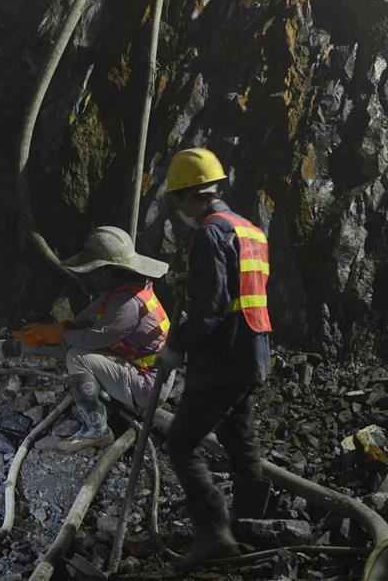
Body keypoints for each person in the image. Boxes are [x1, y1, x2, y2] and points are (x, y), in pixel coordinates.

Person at [155, 148, 273, 569]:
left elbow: (211, 306)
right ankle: (252, 529)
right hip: (253, 355)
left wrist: (176, 347)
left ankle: (214, 537)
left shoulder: (210, 233)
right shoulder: (250, 229)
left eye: (178, 200)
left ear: (192, 196)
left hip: (222, 360)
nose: (178, 210)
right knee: (241, 446)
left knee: (182, 443)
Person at [13, 226, 175, 452]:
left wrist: (58, 337)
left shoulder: (128, 305)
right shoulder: (122, 290)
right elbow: (86, 319)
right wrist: (50, 332)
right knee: (73, 347)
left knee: (77, 357)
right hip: (144, 371)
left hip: (148, 387)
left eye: (92, 270)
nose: (88, 276)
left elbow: (91, 340)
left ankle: (96, 430)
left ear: (106, 272)